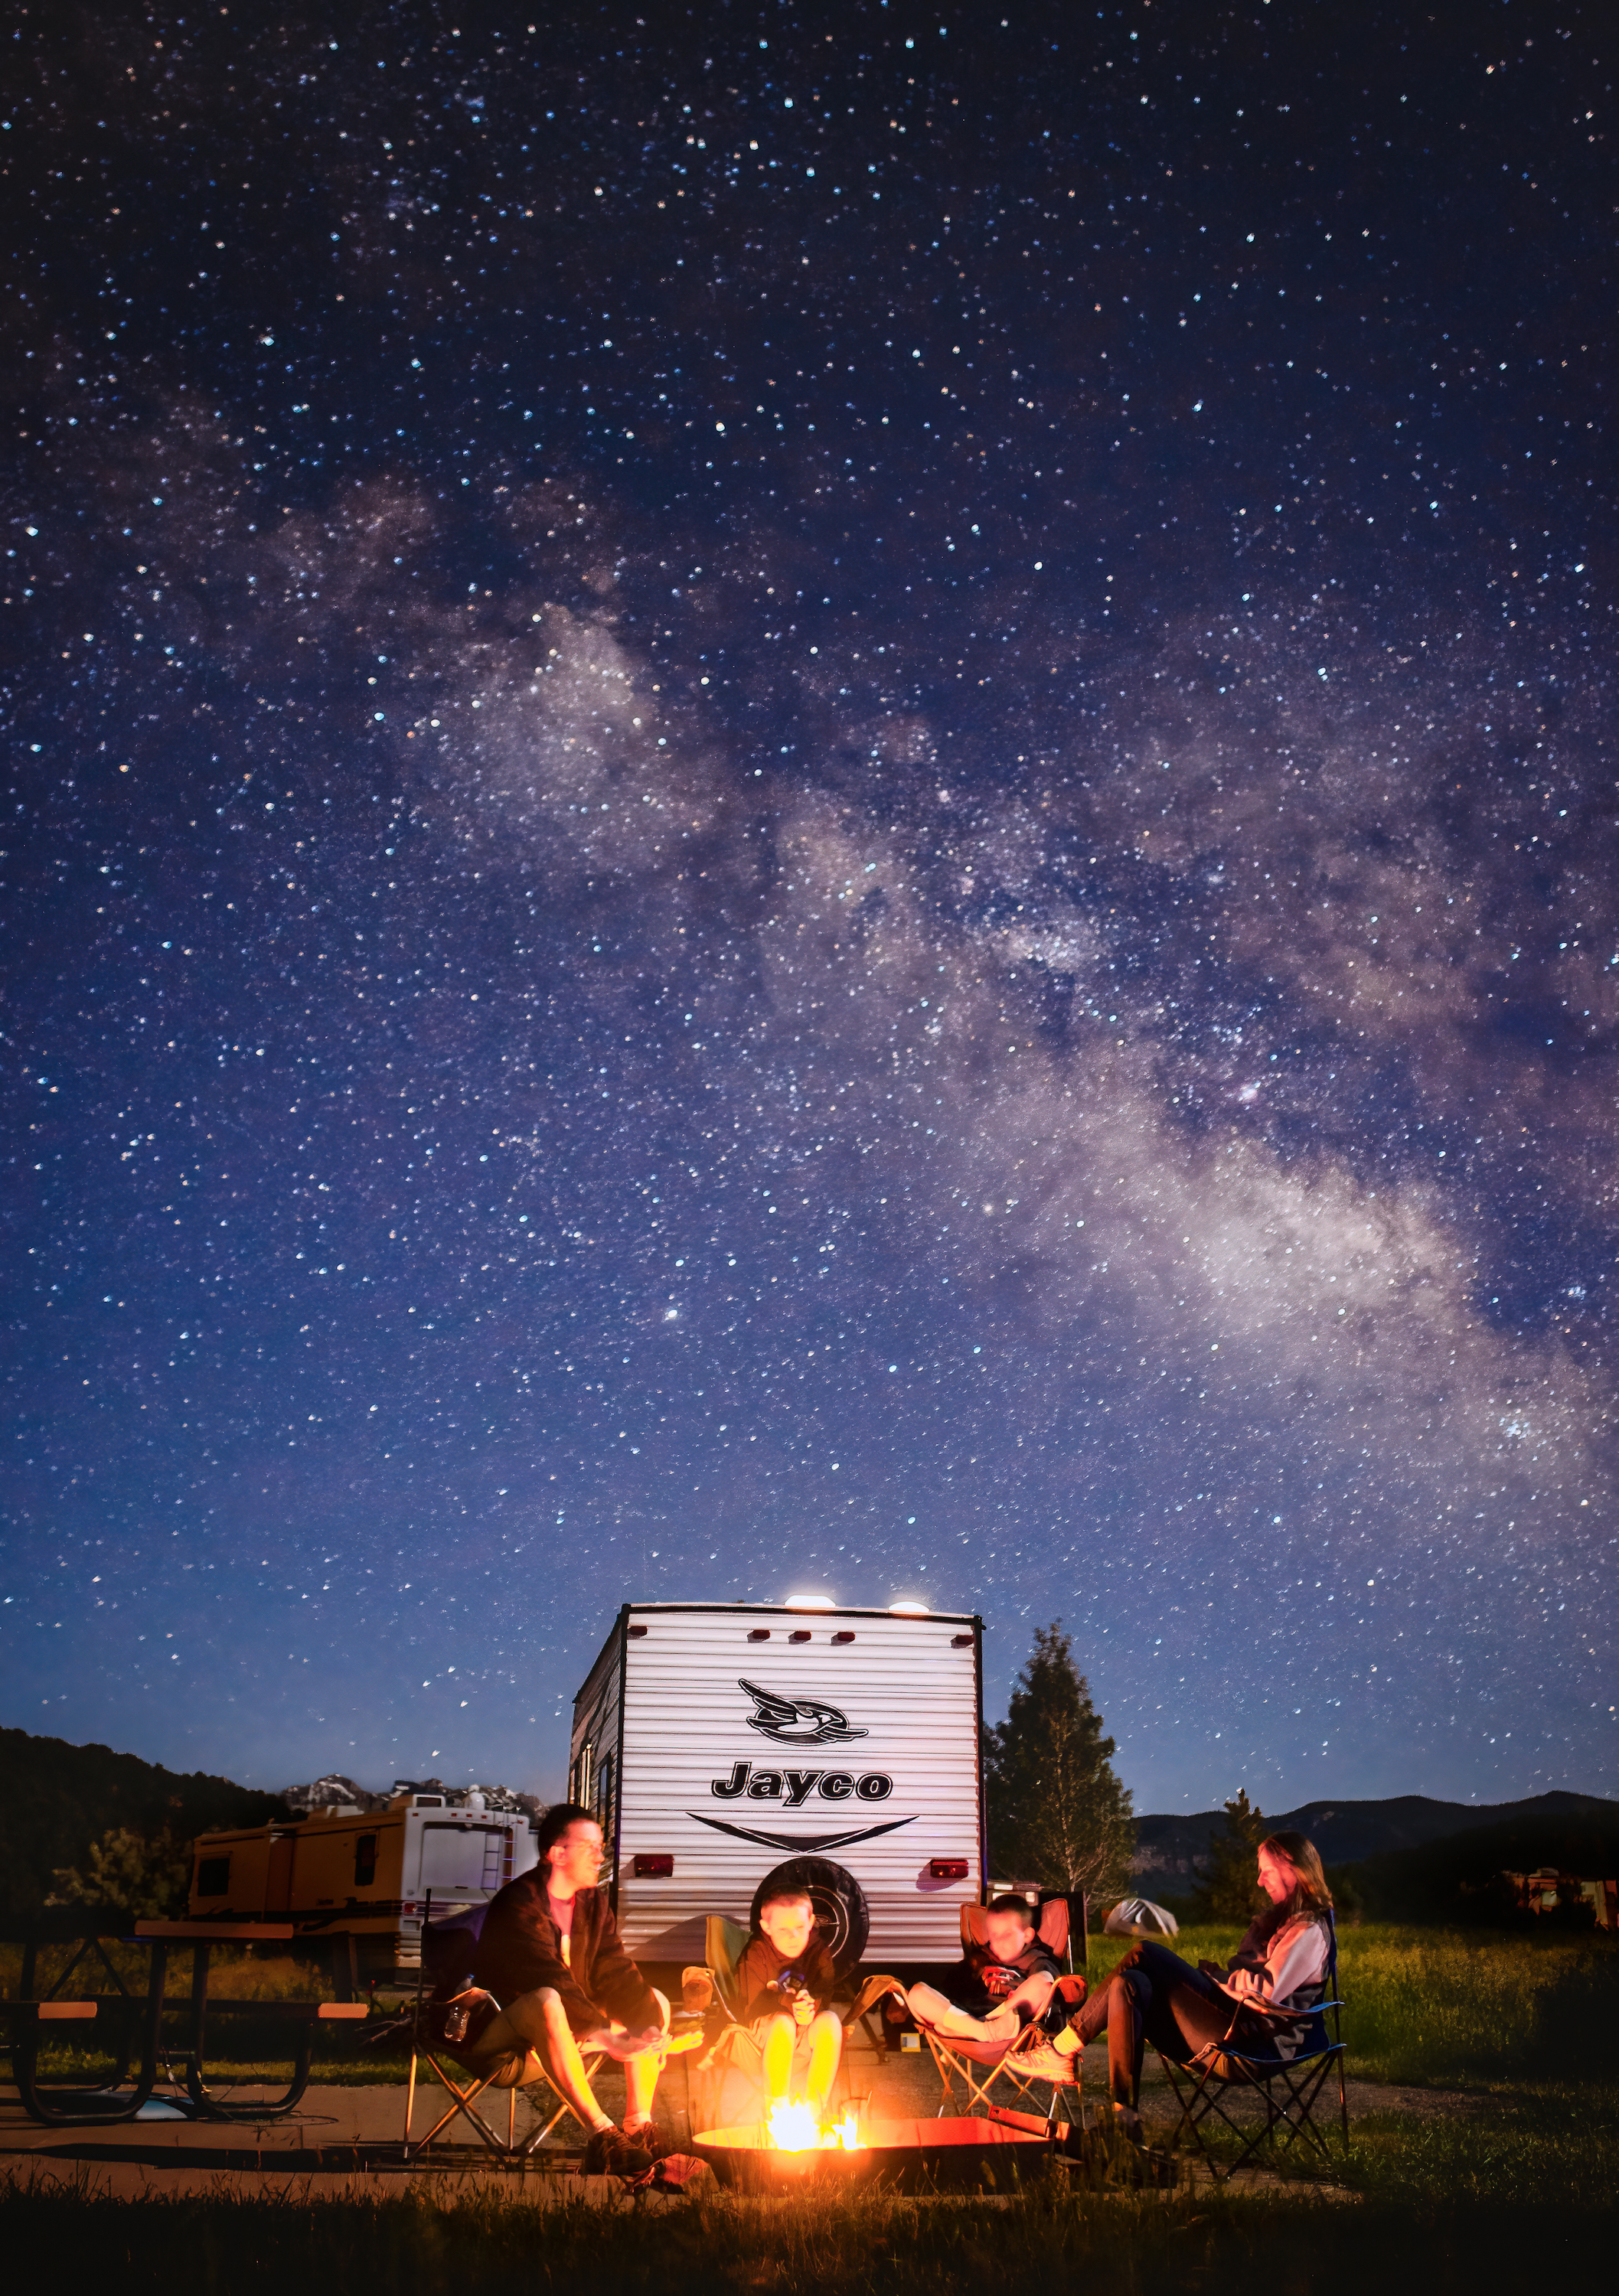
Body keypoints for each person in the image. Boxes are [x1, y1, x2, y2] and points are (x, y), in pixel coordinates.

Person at [1015, 1831, 1335, 2138]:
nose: (1260, 1880)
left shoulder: (1308, 1930)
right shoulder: (1284, 1922)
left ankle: (1061, 2049)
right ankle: (1124, 2121)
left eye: (1266, 1871)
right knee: (1128, 1984)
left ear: (1290, 1863)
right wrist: (1220, 1978)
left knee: (1145, 1953)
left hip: (1251, 2043)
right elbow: (1255, 1985)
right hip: (1234, 2025)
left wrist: (1215, 1980)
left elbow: (1265, 1991)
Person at [470, 1802, 679, 2175]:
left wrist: (645, 2024)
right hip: (504, 2039)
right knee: (547, 1999)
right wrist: (605, 2032)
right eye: (591, 1847)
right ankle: (601, 2136)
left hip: (567, 2036)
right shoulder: (519, 1904)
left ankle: (637, 2126)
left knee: (656, 2002)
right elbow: (547, 1977)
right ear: (557, 1854)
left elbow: (615, 1970)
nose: (601, 1856)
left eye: (601, 1846)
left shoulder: (593, 1903)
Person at [732, 1885, 843, 2117]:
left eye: (800, 1927)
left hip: (801, 2034)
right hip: (759, 2038)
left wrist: (811, 2005)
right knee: (784, 2022)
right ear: (767, 1927)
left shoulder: (818, 1950)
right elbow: (751, 2005)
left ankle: (813, 2114)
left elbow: (825, 1992)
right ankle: (778, 2115)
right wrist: (788, 2004)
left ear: (811, 1921)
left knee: (830, 2021)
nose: (793, 1936)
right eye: (783, 1929)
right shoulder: (756, 1953)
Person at [903, 1893, 1066, 2049]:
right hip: (969, 2018)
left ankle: (975, 2031)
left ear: (1027, 1935)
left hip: (1011, 2025)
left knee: (1043, 1982)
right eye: (994, 1936)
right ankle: (983, 2031)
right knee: (917, 1993)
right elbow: (949, 1990)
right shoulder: (979, 1959)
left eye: (1007, 1935)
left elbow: (1049, 1990)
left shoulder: (1036, 1960)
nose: (999, 1942)